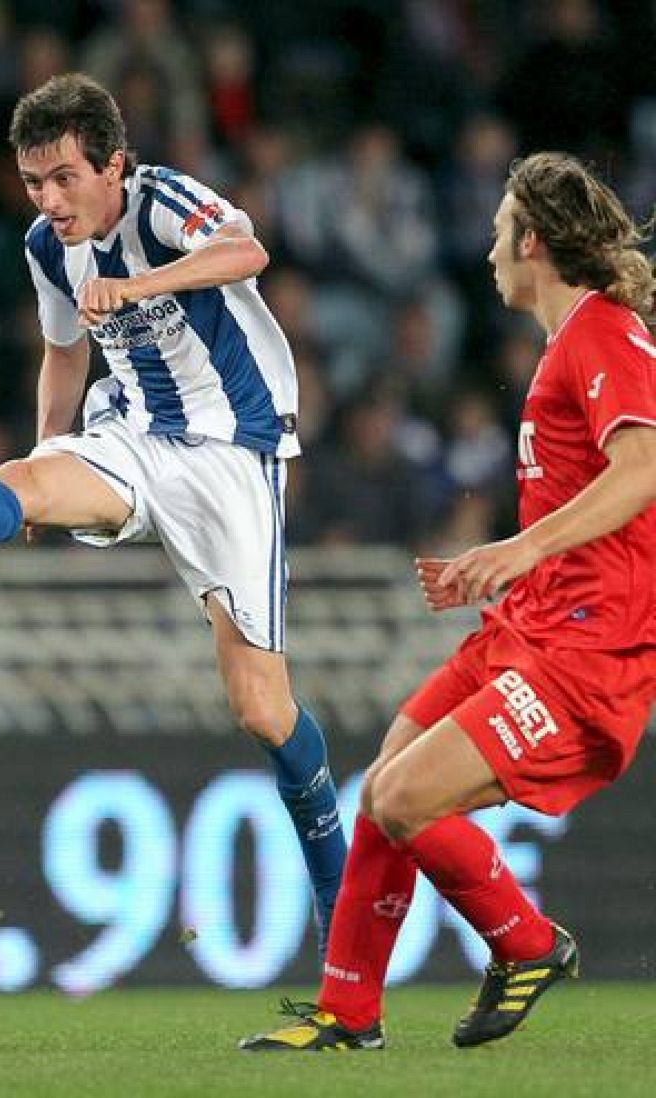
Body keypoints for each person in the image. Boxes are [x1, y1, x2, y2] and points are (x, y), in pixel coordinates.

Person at [0, 72, 346, 944]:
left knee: (261, 709)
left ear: (113, 165)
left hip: (229, 452)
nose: (50, 199)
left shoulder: (160, 200)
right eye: (34, 181)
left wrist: (139, 289)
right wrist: (43, 448)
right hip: (134, 434)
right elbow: (64, 356)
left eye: (65, 177)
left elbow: (248, 251)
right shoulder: (45, 248)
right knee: (18, 484)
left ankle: (342, 898)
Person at [240, 152, 656, 1052]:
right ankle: (348, 1013)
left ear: (533, 240)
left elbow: (644, 470)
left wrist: (517, 548)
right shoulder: (573, 340)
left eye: (501, 230)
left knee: (404, 798)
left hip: (589, 649)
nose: (489, 252)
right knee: (385, 784)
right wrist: (502, 567)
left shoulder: (604, 334)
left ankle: (529, 942)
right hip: (530, 627)